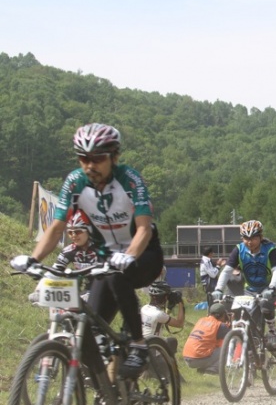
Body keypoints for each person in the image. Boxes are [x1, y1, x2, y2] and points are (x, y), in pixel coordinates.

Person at [10, 123, 164, 384]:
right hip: (106, 259)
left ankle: (138, 345)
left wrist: (129, 255)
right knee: (88, 331)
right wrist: (34, 259)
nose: (89, 165)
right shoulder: (75, 182)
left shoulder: (130, 179)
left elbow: (143, 228)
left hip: (143, 255)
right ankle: (104, 400)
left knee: (118, 276)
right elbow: (57, 226)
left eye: (97, 158)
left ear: (114, 157)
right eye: (83, 158)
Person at [212, 220, 276, 331]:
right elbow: (227, 271)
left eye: (253, 238)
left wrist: (272, 287)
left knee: (265, 306)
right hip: (250, 289)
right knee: (246, 317)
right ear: (242, 238)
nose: (250, 242)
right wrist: (218, 289)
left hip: (270, 287)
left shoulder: (270, 249)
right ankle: (249, 343)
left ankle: (272, 331)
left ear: (260, 237)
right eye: (246, 239)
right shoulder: (239, 250)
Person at [28, 210, 102, 304]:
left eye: (78, 231)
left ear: (89, 231)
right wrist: (39, 290)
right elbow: (55, 271)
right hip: (83, 290)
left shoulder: (101, 250)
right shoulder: (69, 250)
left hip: (101, 291)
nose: (74, 236)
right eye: (70, 232)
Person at [182, 303, 231, 374]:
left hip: (187, 357)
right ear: (223, 315)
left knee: (211, 346)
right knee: (227, 347)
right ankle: (213, 369)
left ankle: (203, 368)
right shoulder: (219, 325)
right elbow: (233, 336)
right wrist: (230, 322)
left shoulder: (201, 320)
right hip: (197, 359)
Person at [141, 281, 186, 355]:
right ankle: (169, 365)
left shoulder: (144, 308)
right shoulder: (159, 314)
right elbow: (180, 324)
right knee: (172, 341)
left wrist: (169, 308)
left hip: (142, 344)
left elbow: (163, 317)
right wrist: (180, 303)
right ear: (165, 297)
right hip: (153, 349)